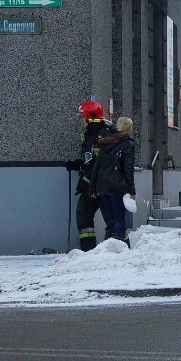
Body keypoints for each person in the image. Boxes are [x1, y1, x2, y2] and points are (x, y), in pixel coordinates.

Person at [65, 100, 115, 252]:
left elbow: (103, 163)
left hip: (103, 186)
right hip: (91, 185)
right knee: (83, 215)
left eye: (83, 117)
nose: (82, 121)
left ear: (91, 117)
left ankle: (120, 251)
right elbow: (90, 160)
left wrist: (87, 179)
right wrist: (78, 164)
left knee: (112, 221)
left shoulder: (105, 135)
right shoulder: (89, 135)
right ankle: (88, 253)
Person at [90, 117, 136, 248]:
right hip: (118, 188)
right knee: (120, 220)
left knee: (111, 222)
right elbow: (128, 169)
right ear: (129, 128)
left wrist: (92, 188)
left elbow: (97, 166)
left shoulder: (106, 143)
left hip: (102, 186)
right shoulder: (128, 144)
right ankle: (117, 251)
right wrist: (132, 191)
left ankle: (107, 249)